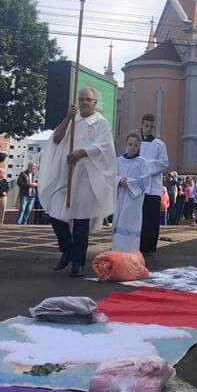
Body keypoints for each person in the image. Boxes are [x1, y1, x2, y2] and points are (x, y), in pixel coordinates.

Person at [37, 87, 117, 277]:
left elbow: (105, 147)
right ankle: (67, 250)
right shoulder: (74, 119)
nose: (84, 103)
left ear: (94, 103)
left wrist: (82, 152)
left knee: (81, 220)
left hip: (86, 178)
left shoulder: (101, 122)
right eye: (81, 99)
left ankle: (78, 262)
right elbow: (57, 138)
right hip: (65, 175)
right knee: (55, 213)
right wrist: (68, 117)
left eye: (88, 99)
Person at [112, 132, 150, 252]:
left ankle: (131, 252)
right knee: (118, 221)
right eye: (130, 144)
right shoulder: (118, 161)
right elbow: (112, 176)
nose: (133, 147)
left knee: (131, 224)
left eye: (136, 145)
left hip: (134, 200)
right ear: (126, 145)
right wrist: (119, 180)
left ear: (139, 146)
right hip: (120, 197)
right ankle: (117, 251)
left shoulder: (142, 162)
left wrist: (128, 182)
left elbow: (145, 179)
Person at [137, 114, 169, 254]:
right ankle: (137, 245)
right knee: (139, 218)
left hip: (153, 187)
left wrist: (144, 166)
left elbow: (164, 163)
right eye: (146, 126)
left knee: (151, 219)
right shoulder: (136, 143)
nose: (149, 129)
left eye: (151, 126)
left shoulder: (159, 144)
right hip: (138, 186)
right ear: (142, 125)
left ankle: (149, 247)